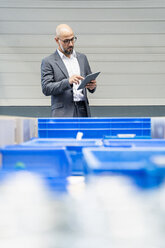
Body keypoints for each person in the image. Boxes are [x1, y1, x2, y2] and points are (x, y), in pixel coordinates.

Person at [41, 24, 97, 117]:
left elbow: (89, 80)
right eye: (66, 41)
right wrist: (68, 82)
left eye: (72, 39)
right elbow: (46, 88)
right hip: (63, 113)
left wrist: (92, 86)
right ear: (57, 40)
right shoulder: (48, 61)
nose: (70, 44)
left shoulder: (82, 58)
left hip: (83, 110)